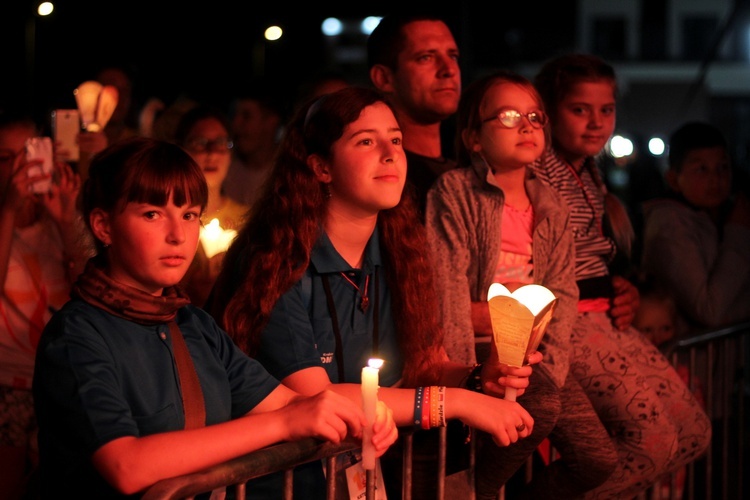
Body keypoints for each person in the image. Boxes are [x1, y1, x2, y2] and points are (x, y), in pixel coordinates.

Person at [207, 86, 537, 499]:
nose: (390, 153)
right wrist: (457, 403)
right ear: (320, 167)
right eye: (366, 140)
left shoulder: (399, 254)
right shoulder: (275, 259)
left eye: (395, 140)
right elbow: (318, 396)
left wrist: (476, 377)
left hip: (356, 479)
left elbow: (421, 367)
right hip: (274, 485)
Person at [31, 136, 399, 498]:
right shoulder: (76, 336)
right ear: (103, 226)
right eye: (152, 214)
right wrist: (285, 424)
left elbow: (288, 403)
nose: (178, 235)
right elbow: (126, 466)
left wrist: (363, 416)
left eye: (189, 215)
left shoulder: (192, 324)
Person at [426, 70, 619, 499]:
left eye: (535, 116)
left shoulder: (551, 204)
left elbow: (563, 292)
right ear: (474, 138)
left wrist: (553, 363)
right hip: (477, 347)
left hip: (535, 354)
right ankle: (463, 490)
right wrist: (462, 377)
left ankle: (475, 489)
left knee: (596, 460)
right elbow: (449, 286)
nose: (528, 125)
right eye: (509, 116)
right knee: (543, 408)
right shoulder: (455, 192)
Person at [532, 53, 711, 499]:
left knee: (692, 431)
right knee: (652, 443)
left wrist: (619, 285)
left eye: (606, 110)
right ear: (550, 113)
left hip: (606, 316)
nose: (596, 123)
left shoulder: (589, 172)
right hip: (569, 322)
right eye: (579, 110)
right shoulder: (536, 171)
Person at [0, 111, 91, 499]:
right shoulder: (4, 222)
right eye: (8, 157)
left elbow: (90, 291)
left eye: (30, 153)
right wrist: (7, 210)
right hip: (6, 384)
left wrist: (66, 221)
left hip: (57, 378)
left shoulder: (58, 219)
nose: (22, 167)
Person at [639, 121, 750, 337]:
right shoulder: (670, 224)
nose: (715, 179)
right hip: (686, 366)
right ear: (673, 179)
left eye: (723, 167)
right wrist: (737, 232)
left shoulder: (720, 216)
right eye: (701, 169)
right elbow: (708, 310)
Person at [367, 12, 461, 220]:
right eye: (426, 57)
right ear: (383, 78)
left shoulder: (470, 166)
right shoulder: (383, 178)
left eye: (452, 56)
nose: (448, 70)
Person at [173, 105, 249, 308]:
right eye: (200, 143)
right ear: (181, 149)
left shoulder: (248, 221)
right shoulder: (172, 222)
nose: (212, 153)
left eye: (221, 143)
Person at [223, 76, 287, 210]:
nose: (236, 124)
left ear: (271, 122)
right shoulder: (224, 168)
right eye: (234, 115)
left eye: (246, 116)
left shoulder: (287, 174)